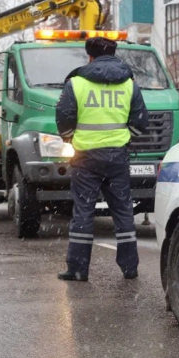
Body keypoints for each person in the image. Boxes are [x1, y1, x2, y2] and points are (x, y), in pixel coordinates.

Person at [55, 37, 148, 282]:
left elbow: (64, 119)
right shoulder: (129, 83)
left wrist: (71, 139)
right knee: (123, 212)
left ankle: (78, 269)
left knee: (83, 212)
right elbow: (140, 122)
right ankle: (130, 267)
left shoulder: (76, 83)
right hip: (117, 157)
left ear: (90, 57)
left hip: (85, 158)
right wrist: (126, 139)